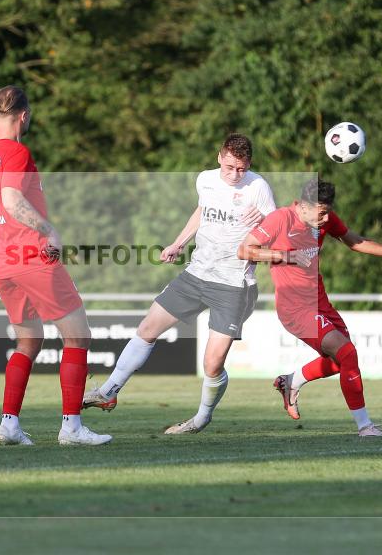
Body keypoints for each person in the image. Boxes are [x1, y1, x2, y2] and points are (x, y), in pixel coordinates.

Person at [82, 133, 276, 434]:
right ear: (219, 158)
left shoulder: (258, 187)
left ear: (249, 164)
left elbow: (276, 231)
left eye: (241, 168)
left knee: (212, 364)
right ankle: (108, 391)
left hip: (233, 285)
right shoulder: (206, 180)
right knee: (147, 328)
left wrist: (263, 220)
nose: (235, 174)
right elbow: (202, 211)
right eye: (229, 167)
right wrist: (177, 243)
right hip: (197, 274)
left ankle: (201, 418)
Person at [0, 85, 112, 447]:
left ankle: (9, 424)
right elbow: (12, 199)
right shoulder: (17, 151)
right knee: (78, 335)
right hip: (34, 258)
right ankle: (71, 427)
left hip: (3, 265)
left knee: (29, 339)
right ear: (24, 115)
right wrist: (49, 230)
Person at [238, 178, 382, 437]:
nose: (327, 219)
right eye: (322, 212)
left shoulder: (323, 220)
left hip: (319, 302)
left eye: (328, 212)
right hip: (294, 308)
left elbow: (354, 241)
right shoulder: (280, 219)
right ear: (303, 206)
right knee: (347, 353)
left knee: (342, 362)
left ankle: (292, 381)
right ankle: (365, 427)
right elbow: (245, 250)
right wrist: (284, 255)